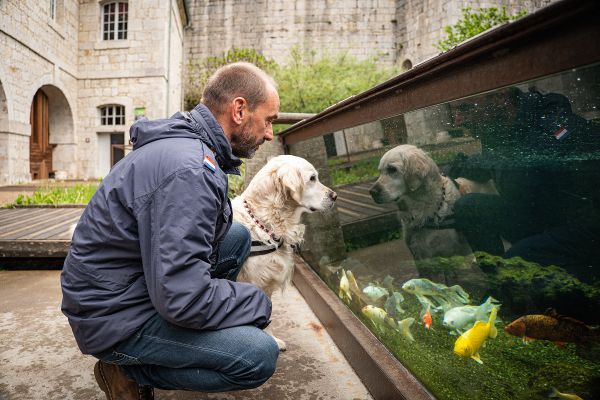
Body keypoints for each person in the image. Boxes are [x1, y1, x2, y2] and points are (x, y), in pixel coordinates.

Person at [61, 62, 281, 399]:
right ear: (239, 110)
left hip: (124, 289)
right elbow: (182, 297)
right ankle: (126, 368)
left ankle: (172, 342)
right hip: (112, 318)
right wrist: (257, 304)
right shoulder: (190, 171)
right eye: (268, 120)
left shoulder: (186, 147)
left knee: (235, 238)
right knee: (256, 355)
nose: (268, 133)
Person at [448, 87, 600, 281]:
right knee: (468, 206)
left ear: (500, 97)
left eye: (466, 108)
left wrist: (489, 160)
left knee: (518, 260)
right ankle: (499, 284)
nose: (458, 121)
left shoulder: (553, 120)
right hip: (539, 215)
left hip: (581, 223)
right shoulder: (499, 128)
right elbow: (487, 164)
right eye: (455, 112)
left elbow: (529, 165)